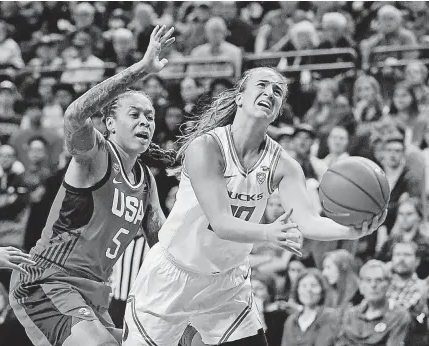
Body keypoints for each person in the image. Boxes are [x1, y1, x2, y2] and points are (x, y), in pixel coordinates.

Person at [124, 66, 386, 346]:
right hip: (172, 275)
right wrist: (268, 233)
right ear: (239, 97)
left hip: (226, 283)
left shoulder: (284, 165)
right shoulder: (206, 148)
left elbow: (307, 221)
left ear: (278, 110)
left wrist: (350, 232)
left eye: (277, 91)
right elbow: (222, 223)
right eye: (262, 85)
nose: (269, 93)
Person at [8, 25, 176, 346]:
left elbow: (165, 249)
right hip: (47, 279)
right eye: (135, 114)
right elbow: (74, 115)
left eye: (150, 116)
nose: (145, 122)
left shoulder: (146, 181)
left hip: (93, 294)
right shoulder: (95, 155)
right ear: (110, 123)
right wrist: (141, 69)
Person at [335, 260, 412, 346]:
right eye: (368, 280)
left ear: (388, 284)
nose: (373, 285)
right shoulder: (350, 314)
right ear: (361, 286)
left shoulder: (399, 316)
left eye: (379, 280)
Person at [281, 269, 338, 346]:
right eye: (304, 286)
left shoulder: (330, 317)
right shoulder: (290, 321)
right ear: (297, 290)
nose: (308, 290)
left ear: (322, 290)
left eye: (313, 285)